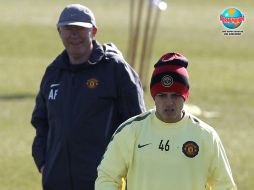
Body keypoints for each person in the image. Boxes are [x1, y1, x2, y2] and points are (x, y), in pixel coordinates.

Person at [31, 4, 146, 190]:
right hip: (57, 181)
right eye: (68, 28)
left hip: (103, 181)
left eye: (80, 29)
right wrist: (44, 163)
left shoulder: (115, 69)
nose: (74, 35)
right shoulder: (53, 72)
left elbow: (138, 124)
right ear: (59, 31)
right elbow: (41, 122)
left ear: (93, 31)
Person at [95, 52, 237, 190]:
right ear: (153, 96)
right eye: (162, 95)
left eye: (175, 95)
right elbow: (107, 178)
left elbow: (224, 185)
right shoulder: (131, 131)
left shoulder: (205, 135)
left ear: (185, 96)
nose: (169, 103)